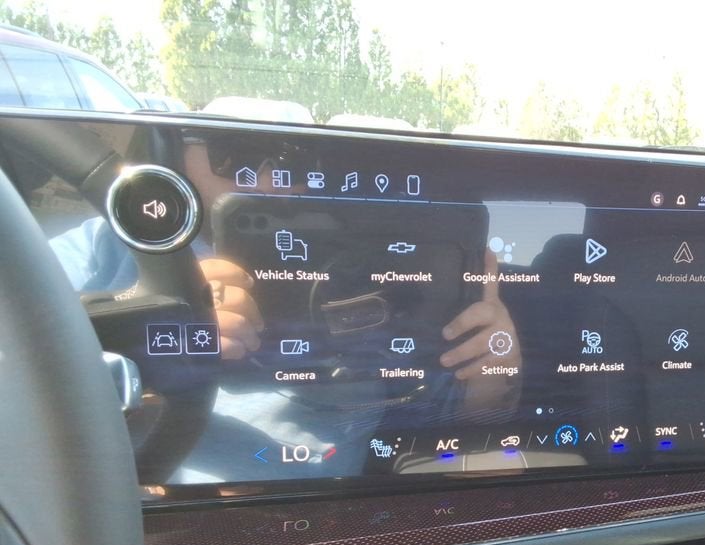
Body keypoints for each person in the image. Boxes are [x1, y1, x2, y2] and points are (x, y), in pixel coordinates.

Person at [50, 134, 522, 483]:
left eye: (295, 162)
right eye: (233, 153)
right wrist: (148, 342)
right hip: (138, 524)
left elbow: (439, 431)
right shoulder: (105, 247)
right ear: (172, 149)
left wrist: (493, 376)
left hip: (327, 528)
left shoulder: (366, 269)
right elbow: (23, 371)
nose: (268, 181)